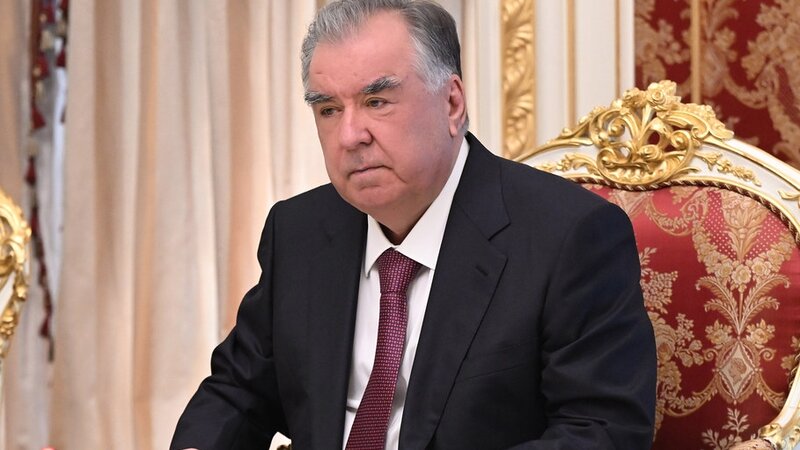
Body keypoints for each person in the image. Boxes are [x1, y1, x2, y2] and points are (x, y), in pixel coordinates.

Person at [171, 0, 656, 448]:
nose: (350, 136)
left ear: (452, 104)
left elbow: (601, 431)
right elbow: (238, 392)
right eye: (329, 109)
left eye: (377, 102)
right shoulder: (299, 232)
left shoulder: (568, 236)